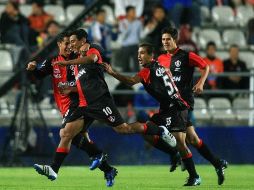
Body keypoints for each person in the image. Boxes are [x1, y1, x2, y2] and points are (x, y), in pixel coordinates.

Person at [51, 29, 176, 173]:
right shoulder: (78, 59)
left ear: (83, 40)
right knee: (67, 133)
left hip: (100, 100)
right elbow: (82, 82)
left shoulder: (93, 49)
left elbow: (94, 58)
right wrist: (69, 87)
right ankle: (59, 168)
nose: (71, 45)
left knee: (122, 129)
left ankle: (158, 130)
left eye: (73, 41)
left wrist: (68, 63)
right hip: (85, 104)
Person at [103, 42, 201, 186]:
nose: (139, 57)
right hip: (169, 107)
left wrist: (112, 72)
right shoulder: (161, 66)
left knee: (180, 143)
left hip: (175, 108)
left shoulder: (147, 71)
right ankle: (173, 153)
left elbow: (130, 81)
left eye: (142, 53)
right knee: (148, 134)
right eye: (138, 54)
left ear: (151, 55)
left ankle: (194, 175)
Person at [26, 32, 117, 187]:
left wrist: (71, 88)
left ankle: (54, 168)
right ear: (59, 45)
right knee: (78, 139)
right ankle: (107, 168)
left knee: (65, 133)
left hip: (80, 103)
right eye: (66, 43)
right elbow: (37, 77)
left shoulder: (79, 59)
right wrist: (32, 69)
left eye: (71, 43)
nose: (69, 46)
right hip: (66, 107)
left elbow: (88, 78)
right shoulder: (53, 61)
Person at [158, 27, 228, 185]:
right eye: (163, 40)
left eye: (168, 39)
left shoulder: (186, 56)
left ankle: (193, 175)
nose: (165, 42)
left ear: (175, 39)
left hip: (183, 101)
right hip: (169, 102)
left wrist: (200, 82)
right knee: (193, 139)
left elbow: (205, 66)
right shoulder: (161, 59)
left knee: (178, 138)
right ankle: (218, 163)